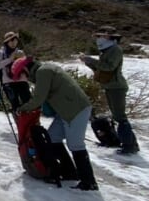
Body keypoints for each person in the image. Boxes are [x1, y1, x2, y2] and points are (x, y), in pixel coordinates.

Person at [13, 56, 99, 190]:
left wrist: (21, 109)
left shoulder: (43, 71)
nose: (24, 78)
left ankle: (88, 181)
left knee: (76, 144)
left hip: (75, 109)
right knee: (52, 138)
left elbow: (38, 99)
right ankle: (70, 172)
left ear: (26, 68)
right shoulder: (45, 69)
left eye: (22, 74)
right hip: (66, 110)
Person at [80, 26, 139, 154]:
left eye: (101, 36)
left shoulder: (115, 50)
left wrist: (92, 61)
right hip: (110, 86)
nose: (98, 39)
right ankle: (129, 143)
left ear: (109, 36)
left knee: (120, 117)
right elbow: (101, 70)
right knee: (118, 116)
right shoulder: (107, 50)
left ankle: (129, 145)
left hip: (117, 87)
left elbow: (109, 67)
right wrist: (88, 62)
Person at [0, 31, 29, 110]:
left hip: (22, 80)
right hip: (8, 82)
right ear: (6, 42)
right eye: (10, 40)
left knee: (28, 103)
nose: (13, 42)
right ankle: (20, 121)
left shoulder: (20, 52)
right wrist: (11, 59)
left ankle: (31, 121)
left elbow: (26, 66)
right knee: (15, 104)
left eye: (15, 40)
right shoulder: (0, 52)